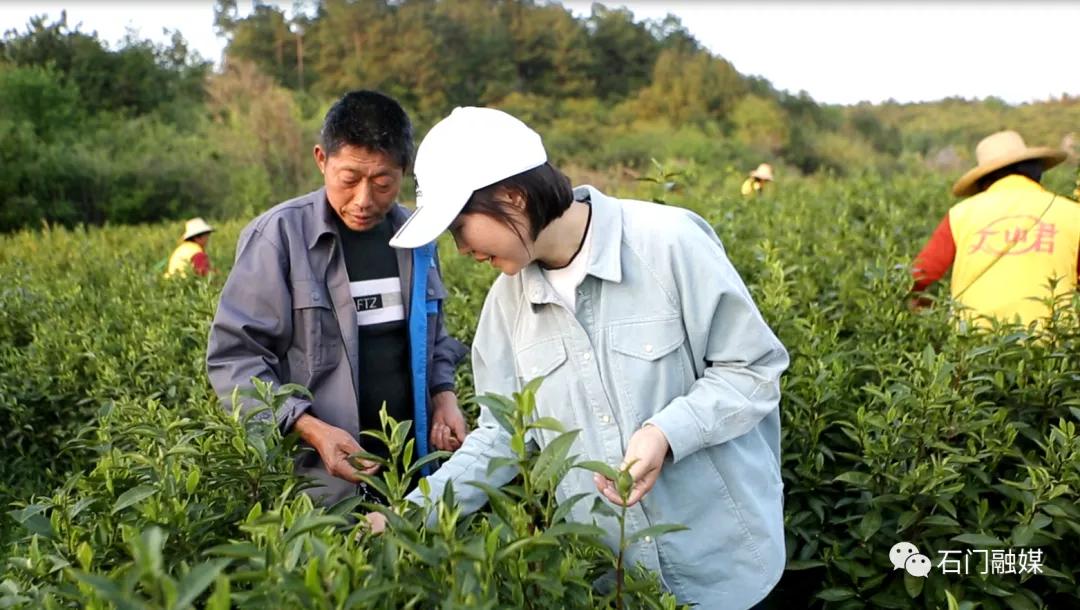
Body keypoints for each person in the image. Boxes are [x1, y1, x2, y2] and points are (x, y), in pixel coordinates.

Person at [378, 107, 789, 609]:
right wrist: (407, 515)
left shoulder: (670, 243)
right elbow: (501, 438)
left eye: (461, 227)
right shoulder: (505, 307)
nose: (461, 248)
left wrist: (666, 433)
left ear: (512, 196)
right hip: (612, 581)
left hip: (724, 568)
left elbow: (753, 369)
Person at [206, 91, 468, 506]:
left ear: (404, 172)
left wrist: (444, 397)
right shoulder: (279, 237)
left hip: (414, 477)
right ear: (321, 160)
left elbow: (434, 339)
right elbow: (235, 360)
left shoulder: (417, 239)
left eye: (383, 183)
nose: (364, 201)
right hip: (320, 483)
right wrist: (310, 428)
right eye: (349, 180)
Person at [911, 130, 1079, 327]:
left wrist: (932, 313)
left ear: (984, 180)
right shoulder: (1072, 213)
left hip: (973, 345)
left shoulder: (960, 214)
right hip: (1053, 347)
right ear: (1035, 171)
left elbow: (918, 277)